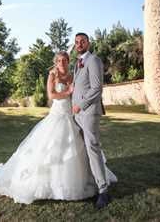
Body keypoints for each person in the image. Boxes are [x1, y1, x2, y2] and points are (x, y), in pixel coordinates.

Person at [0, 51, 117, 206]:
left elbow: (81, 91)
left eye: (65, 60)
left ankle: (91, 179)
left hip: (72, 114)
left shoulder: (73, 74)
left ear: (68, 61)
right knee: (53, 147)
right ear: (56, 62)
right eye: (59, 60)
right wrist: (68, 91)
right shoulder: (52, 75)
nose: (62, 62)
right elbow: (51, 95)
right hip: (58, 113)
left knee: (79, 146)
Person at [72, 32, 111, 209]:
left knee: (93, 148)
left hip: (88, 112)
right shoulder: (77, 63)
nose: (79, 44)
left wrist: (80, 105)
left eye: (82, 41)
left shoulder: (93, 60)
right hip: (76, 115)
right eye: (77, 42)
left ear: (88, 43)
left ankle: (103, 191)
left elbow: (97, 88)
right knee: (83, 150)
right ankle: (91, 184)